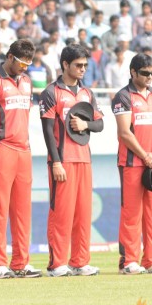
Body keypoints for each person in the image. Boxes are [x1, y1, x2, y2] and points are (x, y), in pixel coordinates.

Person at [39, 44, 104, 277]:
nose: (83, 69)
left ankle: (80, 262)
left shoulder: (87, 93)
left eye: (85, 65)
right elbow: (47, 131)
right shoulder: (50, 92)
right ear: (65, 65)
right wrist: (56, 162)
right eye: (78, 65)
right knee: (61, 214)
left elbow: (100, 124)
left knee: (83, 213)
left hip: (84, 160)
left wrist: (86, 124)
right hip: (63, 161)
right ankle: (57, 264)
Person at [0, 39, 42, 279]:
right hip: (0, 147)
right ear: (9, 57)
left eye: (28, 63)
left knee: (22, 209)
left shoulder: (26, 81)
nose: (24, 68)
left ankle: (21, 262)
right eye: (20, 63)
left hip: (23, 150)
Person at [112, 53, 152, 275]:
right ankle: (129, 261)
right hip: (131, 162)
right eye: (145, 73)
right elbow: (124, 132)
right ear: (133, 72)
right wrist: (145, 155)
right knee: (131, 213)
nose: (149, 77)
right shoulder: (123, 97)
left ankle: (151, 260)